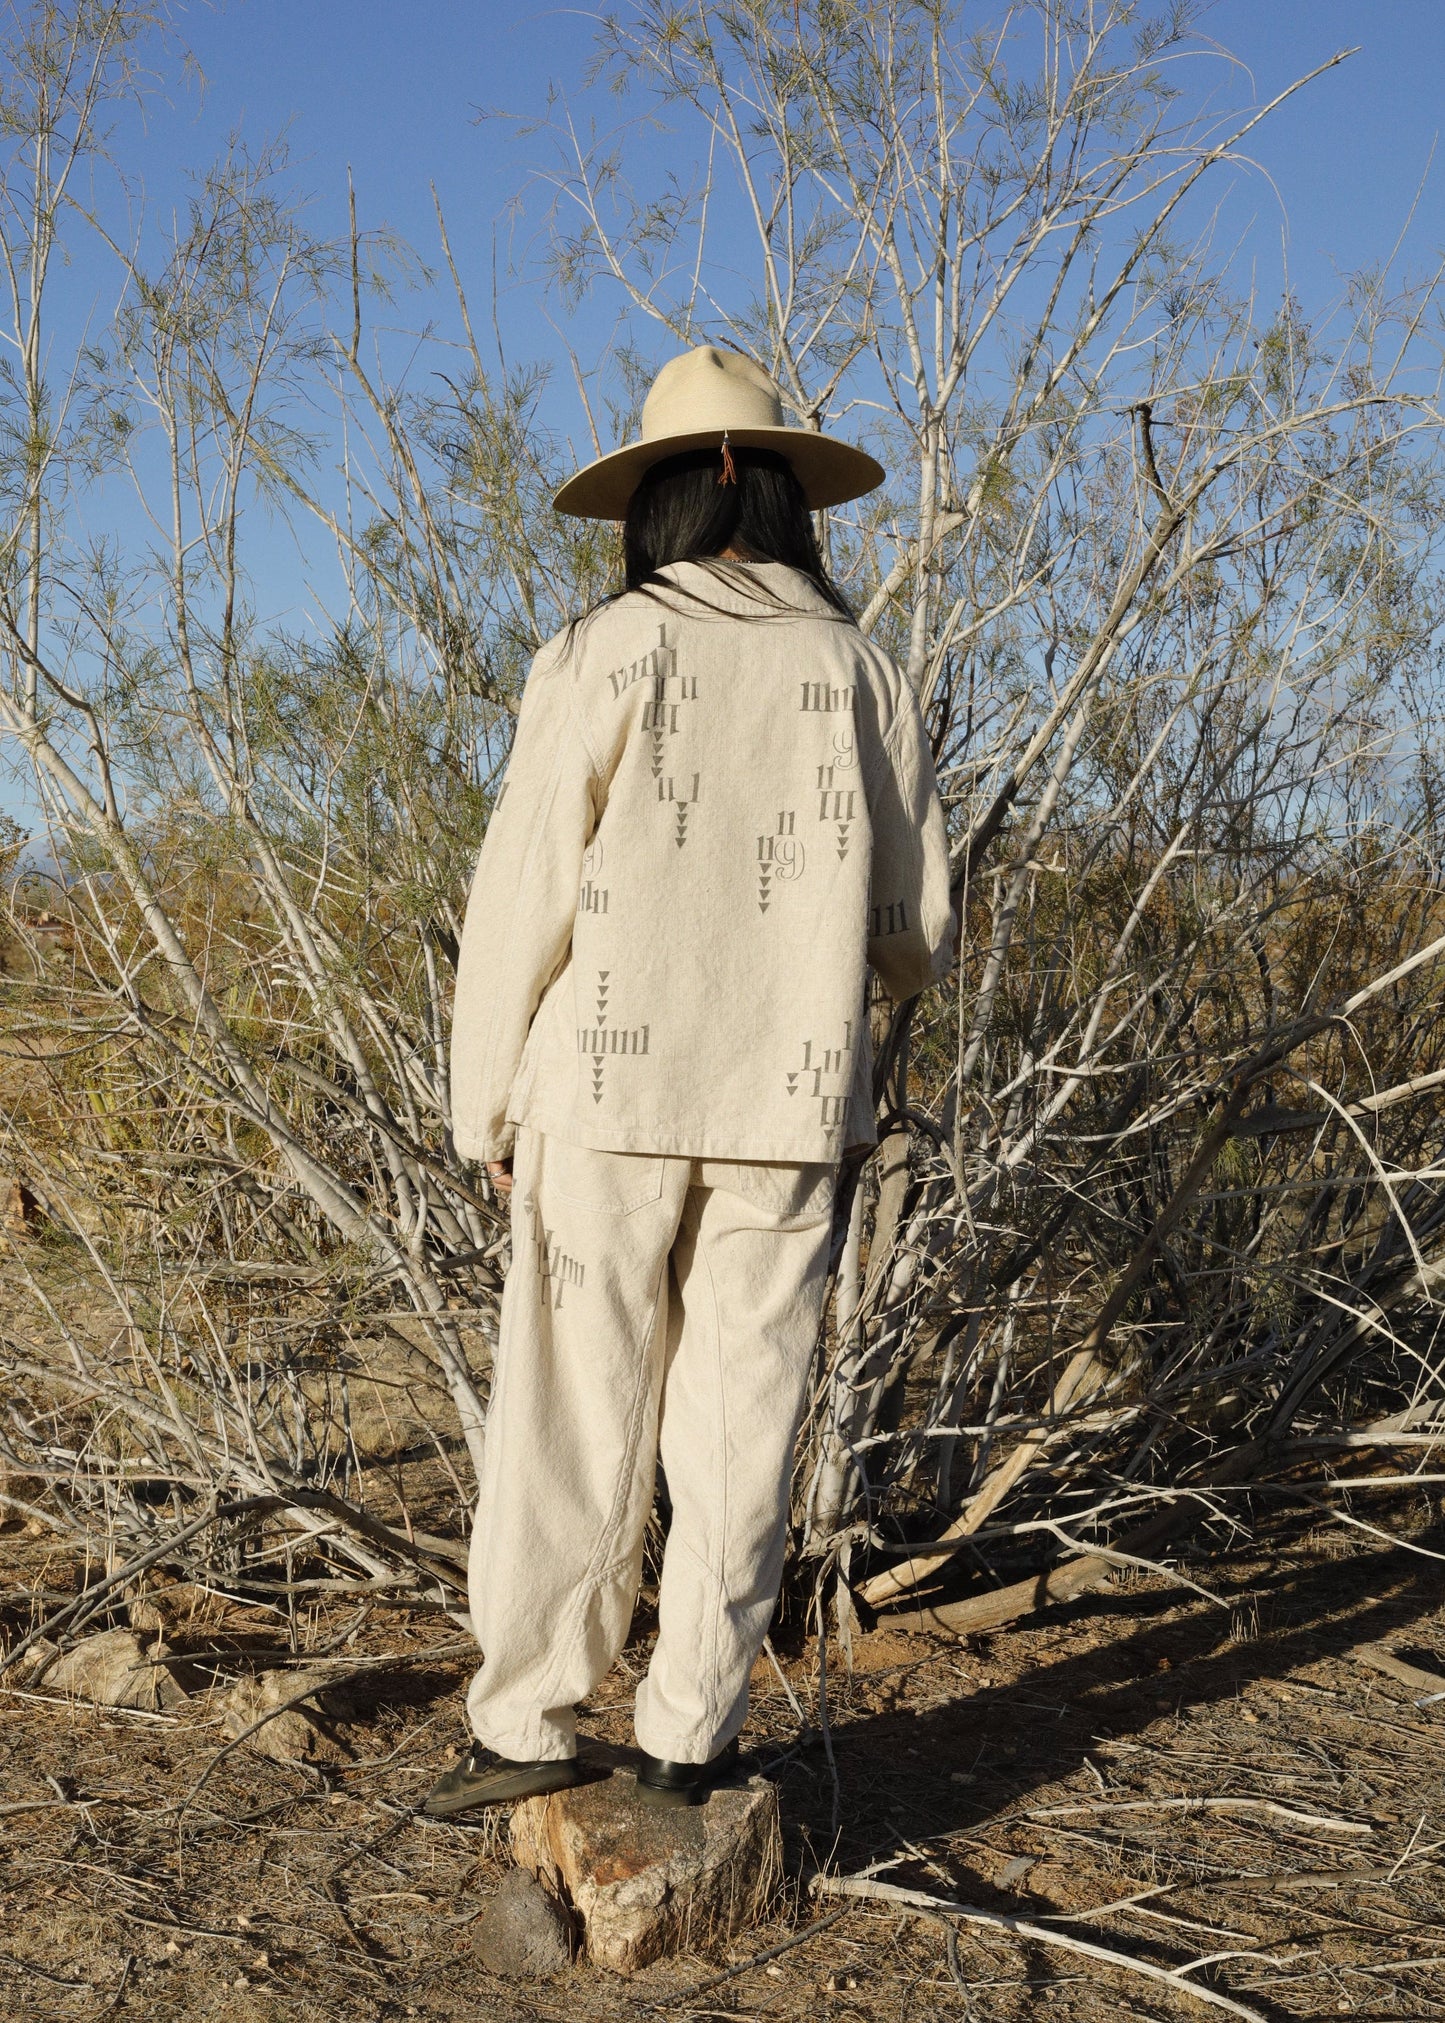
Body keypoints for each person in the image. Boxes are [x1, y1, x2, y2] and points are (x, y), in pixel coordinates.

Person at [422, 346, 954, 1817]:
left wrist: (483, 1105)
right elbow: (919, 939)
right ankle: (689, 1733)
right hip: (786, 1101)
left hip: (600, 1093)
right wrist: (818, 954)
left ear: (679, 486)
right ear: (772, 483)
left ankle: (526, 1718)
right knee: (743, 1416)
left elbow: (522, 891)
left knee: (574, 1411)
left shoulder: (601, 654)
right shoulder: (859, 669)